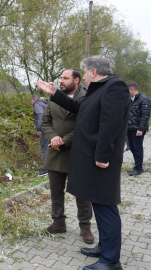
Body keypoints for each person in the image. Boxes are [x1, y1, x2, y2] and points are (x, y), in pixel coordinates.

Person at [36, 56, 130, 270]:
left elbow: (110, 125)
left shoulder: (115, 88)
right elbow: (80, 108)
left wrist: (102, 157)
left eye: (86, 73)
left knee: (107, 208)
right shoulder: (100, 89)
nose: (85, 77)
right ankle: (104, 248)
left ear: (94, 72)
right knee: (100, 205)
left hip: (101, 162)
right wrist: (55, 94)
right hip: (93, 160)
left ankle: (110, 261)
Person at [41, 68, 93, 244]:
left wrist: (64, 140)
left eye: (65, 78)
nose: (61, 81)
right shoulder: (54, 97)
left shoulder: (87, 98)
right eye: (60, 78)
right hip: (54, 152)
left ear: (77, 80)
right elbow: (45, 121)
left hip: (78, 153)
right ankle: (58, 223)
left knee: (83, 193)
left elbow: (86, 125)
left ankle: (85, 227)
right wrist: (53, 137)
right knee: (56, 192)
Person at [126, 82, 151, 176]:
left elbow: (145, 116)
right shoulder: (130, 100)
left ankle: (138, 168)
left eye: (127, 91)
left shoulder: (144, 99)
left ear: (132, 90)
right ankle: (137, 165)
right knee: (132, 147)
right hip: (130, 128)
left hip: (138, 129)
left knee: (137, 148)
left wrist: (140, 129)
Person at [31, 95, 49, 176]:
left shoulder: (37, 104)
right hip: (51, 128)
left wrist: (39, 128)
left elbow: (40, 114)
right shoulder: (45, 103)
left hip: (45, 129)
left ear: (33, 100)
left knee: (45, 148)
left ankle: (45, 169)